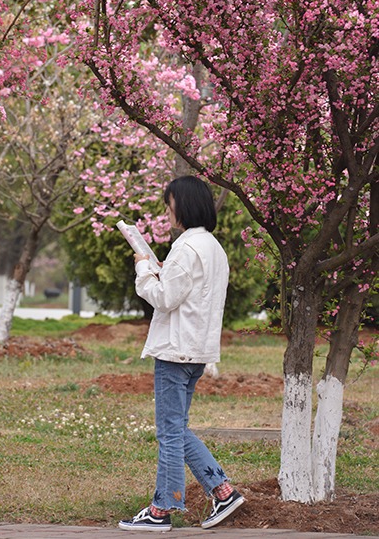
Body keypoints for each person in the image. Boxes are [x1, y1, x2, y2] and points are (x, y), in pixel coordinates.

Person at [119, 175, 245, 532]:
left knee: (170, 433)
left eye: (169, 204)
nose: (167, 210)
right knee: (177, 428)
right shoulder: (213, 247)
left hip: (175, 352)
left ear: (185, 205)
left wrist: (143, 267)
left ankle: (162, 509)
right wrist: (162, 271)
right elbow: (188, 293)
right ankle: (222, 491)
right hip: (197, 351)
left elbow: (163, 298)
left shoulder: (186, 247)